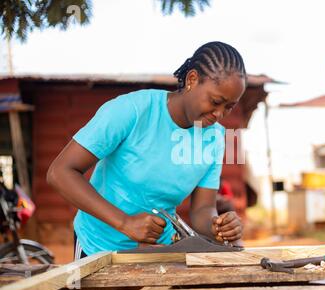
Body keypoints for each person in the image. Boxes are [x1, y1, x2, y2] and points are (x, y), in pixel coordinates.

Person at [47, 41, 246, 259]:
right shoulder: (131, 110)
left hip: (159, 251)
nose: (219, 114)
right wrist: (124, 223)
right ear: (192, 80)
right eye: (215, 101)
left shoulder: (215, 138)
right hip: (98, 246)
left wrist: (218, 226)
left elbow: (201, 210)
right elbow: (60, 172)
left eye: (229, 107)